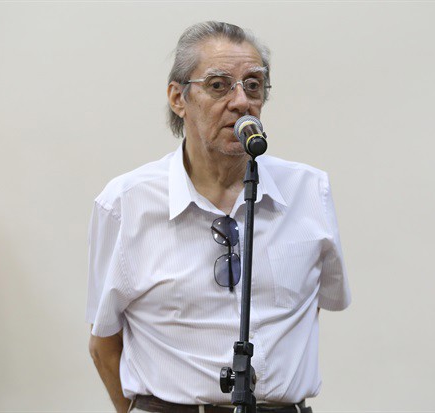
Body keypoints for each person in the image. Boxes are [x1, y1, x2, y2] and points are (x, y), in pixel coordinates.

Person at [86, 21, 351, 413]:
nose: (241, 101)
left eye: (253, 85)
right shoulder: (126, 202)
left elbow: (309, 310)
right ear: (178, 98)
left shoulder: (309, 191)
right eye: (218, 85)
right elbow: (103, 345)